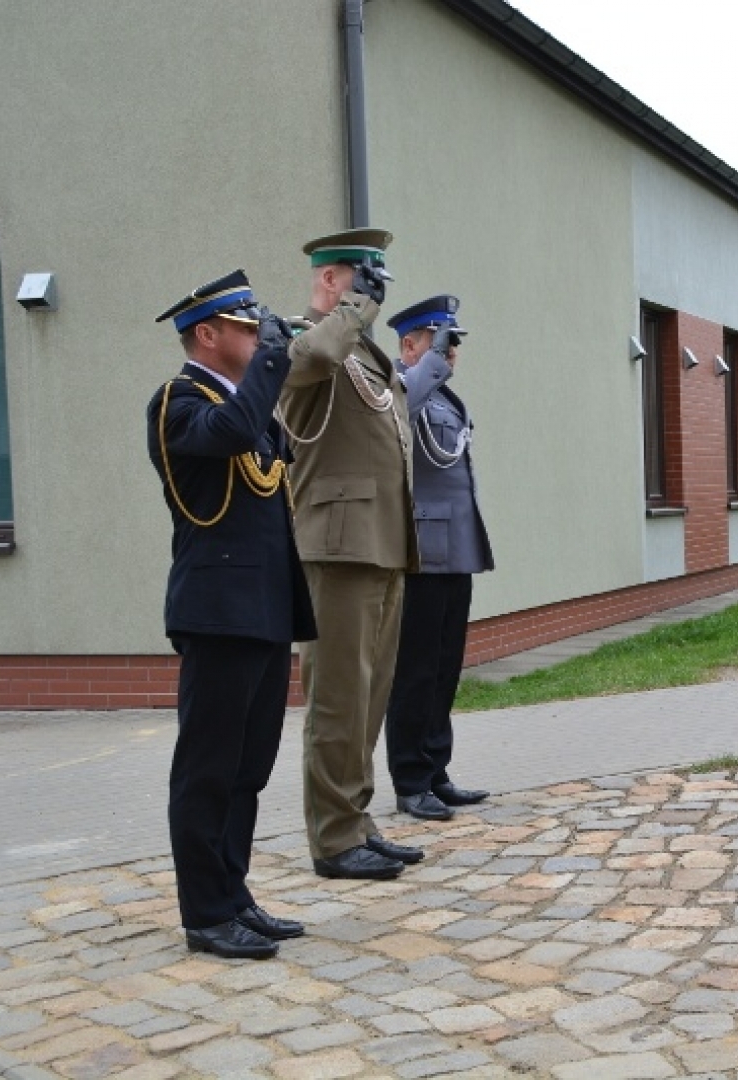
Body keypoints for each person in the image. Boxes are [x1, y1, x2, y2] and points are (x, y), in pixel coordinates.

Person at [146, 270, 317, 959]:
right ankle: (205, 913)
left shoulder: (248, 403)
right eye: (247, 329)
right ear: (206, 335)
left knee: (248, 768)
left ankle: (234, 894)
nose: (260, 337)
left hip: (265, 608)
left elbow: (277, 456)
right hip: (217, 611)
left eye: (260, 327)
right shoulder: (177, 402)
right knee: (208, 768)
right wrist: (272, 358)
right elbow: (234, 430)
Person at [278, 229, 446, 879]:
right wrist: (350, 311)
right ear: (329, 281)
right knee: (338, 701)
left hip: (381, 542)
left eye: (375, 286)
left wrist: (358, 319)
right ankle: (331, 838)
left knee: (369, 695)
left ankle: (355, 820)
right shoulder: (298, 339)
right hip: (338, 546)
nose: (371, 296)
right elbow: (306, 362)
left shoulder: (360, 352)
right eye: (361, 281)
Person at [383, 295, 494, 821]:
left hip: (456, 549)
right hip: (422, 554)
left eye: (454, 343)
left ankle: (435, 770)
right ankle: (409, 778)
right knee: (415, 670)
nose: (451, 352)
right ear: (410, 345)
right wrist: (427, 365)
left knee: (445, 668)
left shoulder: (445, 399)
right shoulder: (395, 388)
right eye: (441, 341)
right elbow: (397, 414)